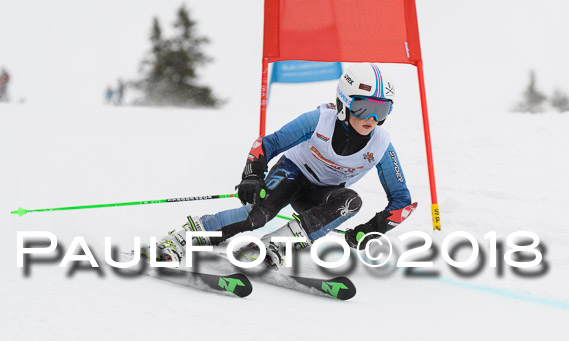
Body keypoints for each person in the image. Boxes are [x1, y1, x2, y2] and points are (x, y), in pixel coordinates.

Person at [155, 62, 416, 268]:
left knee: (351, 201)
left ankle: (278, 244)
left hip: (321, 194)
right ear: (344, 103)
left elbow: (401, 201)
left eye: (381, 111)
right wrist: (252, 175)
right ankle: (187, 235)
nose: (371, 118)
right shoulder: (319, 120)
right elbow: (267, 143)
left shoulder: (381, 145)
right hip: (292, 173)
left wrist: (373, 228)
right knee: (258, 215)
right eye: (363, 108)